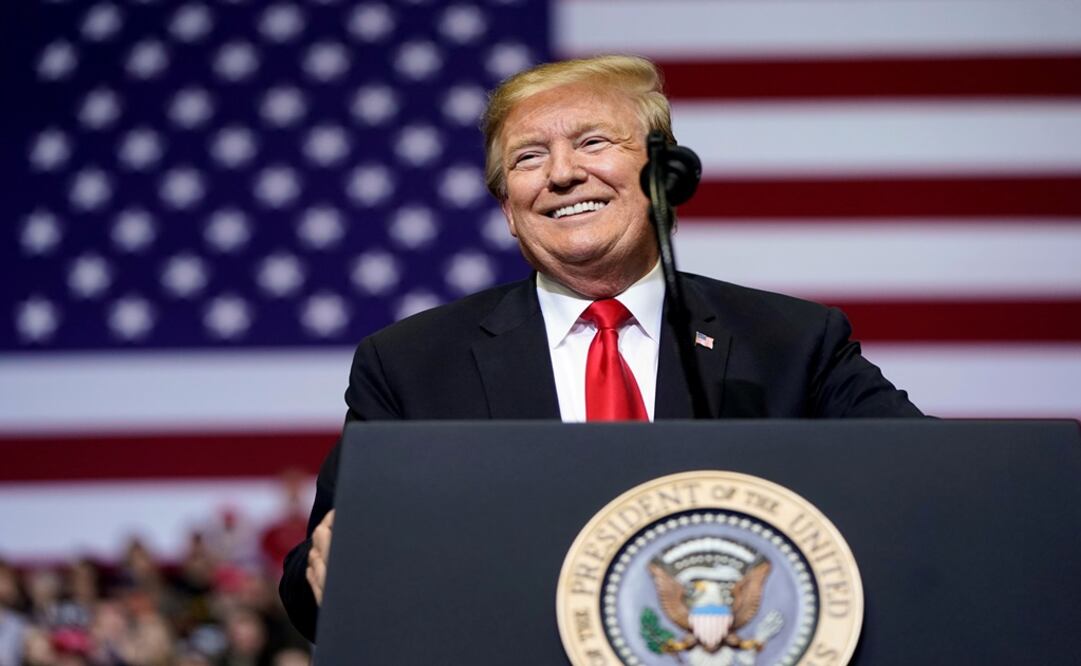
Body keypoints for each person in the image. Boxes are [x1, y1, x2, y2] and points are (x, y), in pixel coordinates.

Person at [279, 54, 922, 641]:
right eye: (528, 158)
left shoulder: (789, 342)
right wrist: (338, 567)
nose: (561, 174)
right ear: (507, 207)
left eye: (591, 142)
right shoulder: (412, 363)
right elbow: (312, 589)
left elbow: (925, 483)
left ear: (661, 173)